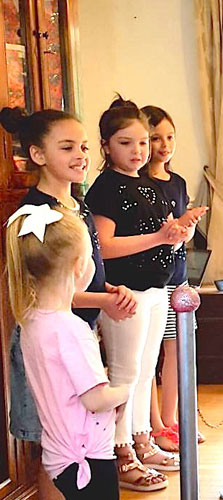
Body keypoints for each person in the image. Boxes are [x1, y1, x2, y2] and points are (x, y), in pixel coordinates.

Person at [0, 107, 138, 500]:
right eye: (67, 148)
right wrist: (102, 299)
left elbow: (80, 272)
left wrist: (108, 291)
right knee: (57, 449)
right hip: (55, 338)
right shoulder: (37, 215)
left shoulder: (77, 206)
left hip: (75, 331)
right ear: (38, 155)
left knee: (68, 445)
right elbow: (46, 287)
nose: (81, 155)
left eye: (83, 146)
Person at [85, 96, 190, 491]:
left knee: (146, 370)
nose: (138, 151)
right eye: (126, 143)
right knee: (125, 372)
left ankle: (142, 437)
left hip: (156, 288)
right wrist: (160, 237)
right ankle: (120, 449)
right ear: (107, 146)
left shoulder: (149, 183)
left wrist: (176, 235)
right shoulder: (106, 188)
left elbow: (161, 236)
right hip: (123, 291)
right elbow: (105, 246)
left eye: (142, 143)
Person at [6, 205, 130, 499]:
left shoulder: (31, 321)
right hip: (89, 459)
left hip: (56, 456)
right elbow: (95, 399)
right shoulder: (72, 330)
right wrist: (124, 390)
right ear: (78, 266)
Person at [141, 105, 207, 452]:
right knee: (150, 354)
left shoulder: (178, 182)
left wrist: (189, 222)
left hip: (179, 277)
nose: (164, 145)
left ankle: (171, 420)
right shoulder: (139, 183)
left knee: (178, 349)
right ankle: (153, 426)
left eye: (169, 137)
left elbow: (179, 231)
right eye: (155, 138)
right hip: (151, 279)